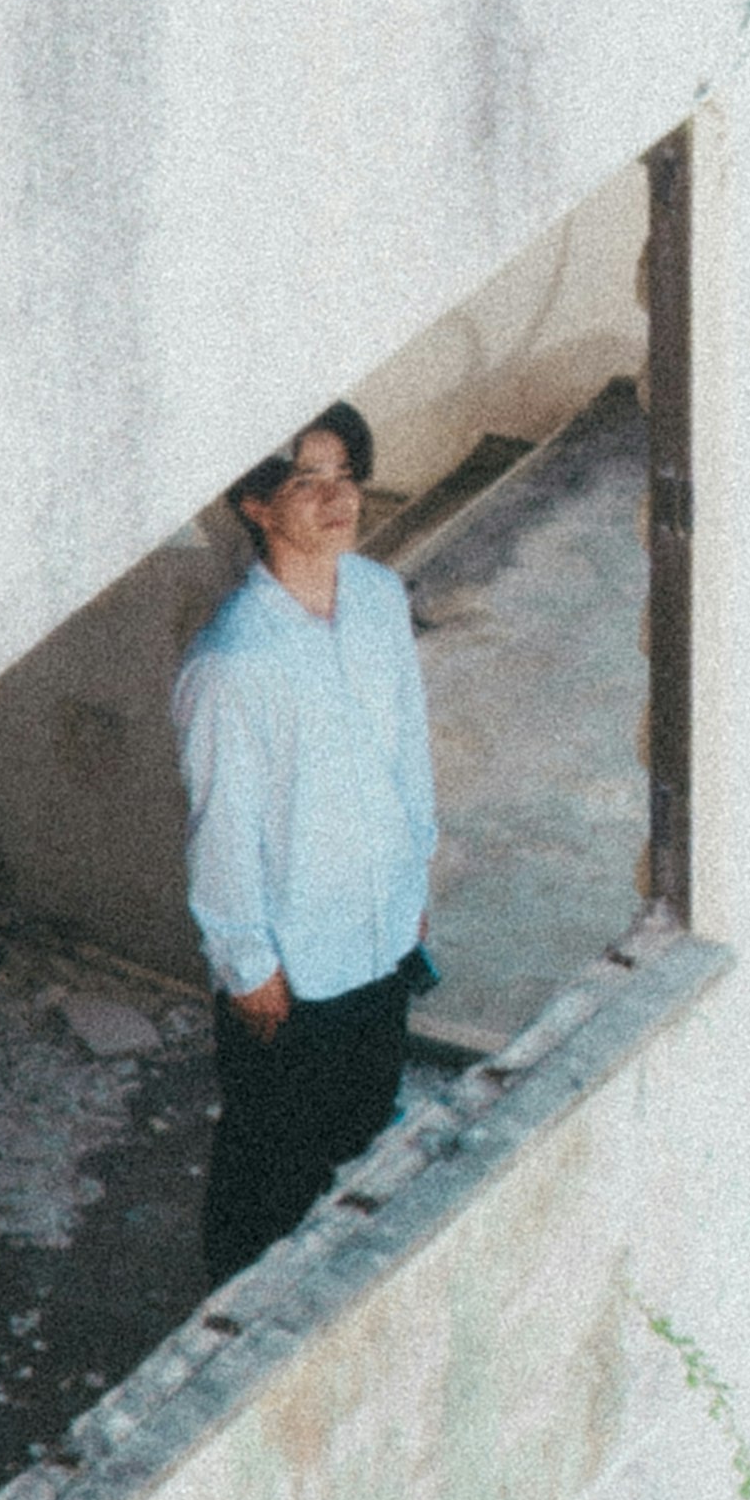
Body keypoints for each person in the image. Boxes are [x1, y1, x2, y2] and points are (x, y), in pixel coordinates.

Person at [175, 401, 439, 1280]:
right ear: (256, 504)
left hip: (380, 934)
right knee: (268, 1174)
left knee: (364, 1138)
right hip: (293, 971)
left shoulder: (377, 597)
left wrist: (414, 877)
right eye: (306, 481)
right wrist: (247, 963)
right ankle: (228, 1334)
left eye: (344, 477)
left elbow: (409, 745)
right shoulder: (233, 660)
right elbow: (223, 827)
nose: (336, 501)